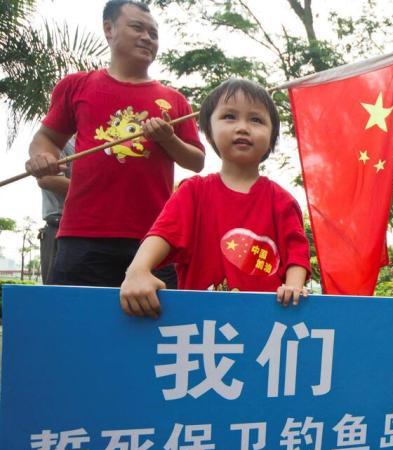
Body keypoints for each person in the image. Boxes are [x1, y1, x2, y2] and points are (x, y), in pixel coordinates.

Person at [25, 0, 205, 288]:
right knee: (76, 314)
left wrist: (168, 139)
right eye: (137, 28)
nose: (147, 38)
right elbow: (46, 139)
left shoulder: (174, 100)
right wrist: (43, 156)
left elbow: (196, 161)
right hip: (83, 233)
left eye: (153, 33)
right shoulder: (77, 86)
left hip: (155, 238)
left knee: (159, 317)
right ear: (109, 29)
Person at [120, 78, 311, 316]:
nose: (243, 127)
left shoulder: (282, 200)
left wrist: (294, 286)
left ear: (272, 138)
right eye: (229, 116)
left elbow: (296, 254)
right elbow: (163, 234)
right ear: (208, 132)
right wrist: (138, 270)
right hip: (200, 324)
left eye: (256, 120)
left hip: (265, 323)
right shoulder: (193, 192)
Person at [37, 138, 74, 284]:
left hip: (94, 226)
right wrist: (97, 190)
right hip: (59, 226)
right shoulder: (58, 141)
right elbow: (47, 179)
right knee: (57, 289)